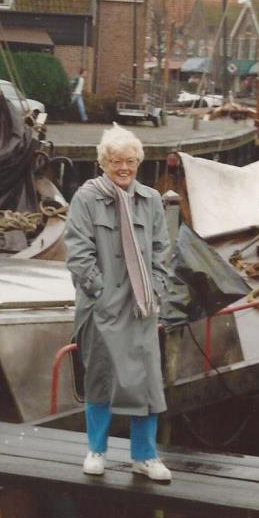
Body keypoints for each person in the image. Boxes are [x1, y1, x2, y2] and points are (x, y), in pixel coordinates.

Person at [64, 123, 172, 482]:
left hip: (141, 307)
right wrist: (100, 292)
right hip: (102, 308)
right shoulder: (86, 198)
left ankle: (145, 456)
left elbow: (161, 250)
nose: (123, 168)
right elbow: (78, 253)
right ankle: (96, 451)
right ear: (103, 163)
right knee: (100, 378)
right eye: (115, 161)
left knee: (147, 382)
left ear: (138, 162)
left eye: (129, 161)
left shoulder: (151, 200)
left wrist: (156, 288)